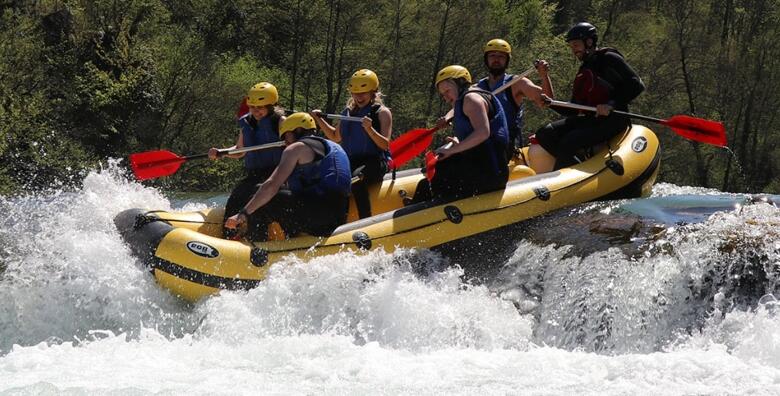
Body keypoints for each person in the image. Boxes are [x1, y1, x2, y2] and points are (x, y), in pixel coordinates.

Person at [529, 22, 645, 173]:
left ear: (589, 42)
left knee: (570, 140)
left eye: (576, 45)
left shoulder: (608, 58)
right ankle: (579, 167)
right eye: (571, 47)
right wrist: (550, 103)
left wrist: (611, 104)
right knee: (545, 133)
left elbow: (636, 84)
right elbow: (573, 109)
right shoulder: (584, 70)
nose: (574, 50)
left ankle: (563, 176)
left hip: (614, 119)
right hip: (592, 120)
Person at [224, 112, 352, 242]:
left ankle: (257, 246)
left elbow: (271, 185)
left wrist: (243, 213)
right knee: (282, 197)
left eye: (286, 136)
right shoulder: (333, 146)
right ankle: (291, 240)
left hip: (318, 218)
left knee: (261, 194)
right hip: (339, 215)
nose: (285, 142)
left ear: (297, 131)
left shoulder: (296, 148)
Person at [411, 65, 509, 203]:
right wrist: (457, 142)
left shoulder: (472, 99)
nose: (446, 97)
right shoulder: (464, 99)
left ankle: (429, 214)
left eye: (447, 91)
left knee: (433, 182)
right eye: (443, 94)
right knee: (433, 176)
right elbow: (473, 134)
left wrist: (453, 150)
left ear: (460, 83)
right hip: (479, 166)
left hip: (490, 173)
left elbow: (483, 132)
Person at [311, 69, 392, 219]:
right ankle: (336, 220)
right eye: (355, 93)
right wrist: (319, 119)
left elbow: (384, 145)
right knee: (331, 180)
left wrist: (370, 129)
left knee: (355, 179)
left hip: (375, 161)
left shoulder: (382, 112)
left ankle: (365, 220)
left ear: (373, 92)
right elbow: (335, 137)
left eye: (363, 93)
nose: (358, 97)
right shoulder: (348, 112)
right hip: (351, 161)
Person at [208, 82, 285, 236]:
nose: (256, 111)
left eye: (260, 108)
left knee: (256, 198)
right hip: (255, 174)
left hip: (277, 174)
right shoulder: (247, 122)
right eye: (252, 107)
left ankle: (258, 239)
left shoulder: (281, 121)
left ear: (271, 106)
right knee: (236, 198)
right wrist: (222, 152)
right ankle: (229, 236)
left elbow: (295, 146)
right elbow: (239, 151)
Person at [477, 38, 553, 159]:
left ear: (507, 60)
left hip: (506, 141)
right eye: (492, 55)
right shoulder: (478, 87)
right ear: (486, 60)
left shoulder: (516, 82)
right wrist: (447, 118)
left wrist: (544, 75)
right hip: (482, 139)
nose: (496, 59)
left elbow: (546, 100)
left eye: (501, 56)